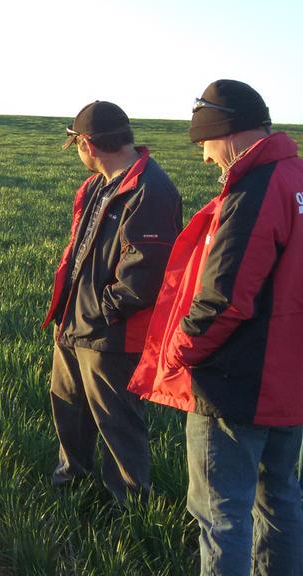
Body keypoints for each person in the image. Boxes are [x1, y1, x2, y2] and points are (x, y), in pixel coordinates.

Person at [129, 79, 303, 575]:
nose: (205, 157)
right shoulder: (296, 178)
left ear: (227, 132)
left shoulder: (255, 189)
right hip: (290, 383)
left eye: (204, 142)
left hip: (235, 386)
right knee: (281, 499)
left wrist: (177, 353)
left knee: (221, 516)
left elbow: (225, 299)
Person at [43, 101, 183, 503]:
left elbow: (144, 273)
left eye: (77, 146)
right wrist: (71, 313)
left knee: (117, 421)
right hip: (74, 322)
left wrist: (102, 311)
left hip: (112, 332)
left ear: (87, 144)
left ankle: (131, 507)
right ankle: (72, 484)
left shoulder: (150, 190)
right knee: (70, 407)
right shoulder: (98, 186)